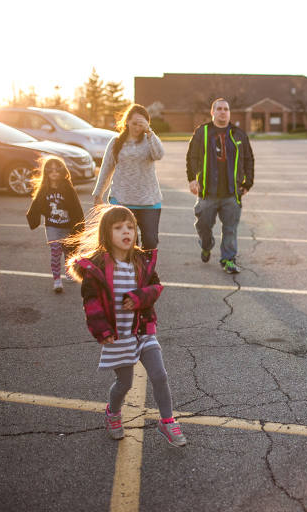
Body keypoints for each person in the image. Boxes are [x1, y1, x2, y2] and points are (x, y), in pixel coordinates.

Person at [67, 205, 187, 447]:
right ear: (106, 233)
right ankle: (112, 413)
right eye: (119, 227)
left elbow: (155, 288)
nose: (126, 232)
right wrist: (102, 330)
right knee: (125, 383)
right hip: (118, 334)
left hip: (143, 330)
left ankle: (167, 421)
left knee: (160, 375)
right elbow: (92, 304)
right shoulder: (97, 268)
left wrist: (139, 298)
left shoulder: (142, 260)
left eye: (130, 227)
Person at [186, 98, 255, 274]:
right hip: (207, 192)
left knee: (230, 229)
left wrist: (248, 183)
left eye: (226, 109)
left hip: (232, 193)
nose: (223, 112)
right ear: (212, 112)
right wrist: (192, 179)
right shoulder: (202, 132)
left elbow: (249, 159)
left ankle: (228, 259)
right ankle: (207, 245)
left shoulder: (239, 134)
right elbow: (192, 157)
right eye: (219, 109)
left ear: (229, 113)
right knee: (203, 226)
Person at [93, 104, 165, 251]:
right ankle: (129, 273)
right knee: (127, 244)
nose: (137, 128)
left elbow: (159, 154)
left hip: (149, 202)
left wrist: (149, 132)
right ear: (127, 122)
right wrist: (98, 194)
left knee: (150, 243)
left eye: (141, 124)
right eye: (134, 124)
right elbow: (106, 169)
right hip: (122, 200)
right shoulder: (115, 142)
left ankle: (147, 273)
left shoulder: (149, 140)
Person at [26, 156, 85, 293]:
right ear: (46, 172)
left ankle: (69, 270)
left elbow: (77, 207)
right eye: (50, 170)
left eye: (57, 170)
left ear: (62, 171)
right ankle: (57, 280)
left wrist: (79, 226)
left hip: (67, 225)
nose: (53, 173)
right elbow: (36, 204)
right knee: (55, 252)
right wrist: (33, 217)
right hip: (52, 226)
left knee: (68, 250)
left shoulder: (68, 188)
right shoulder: (44, 188)